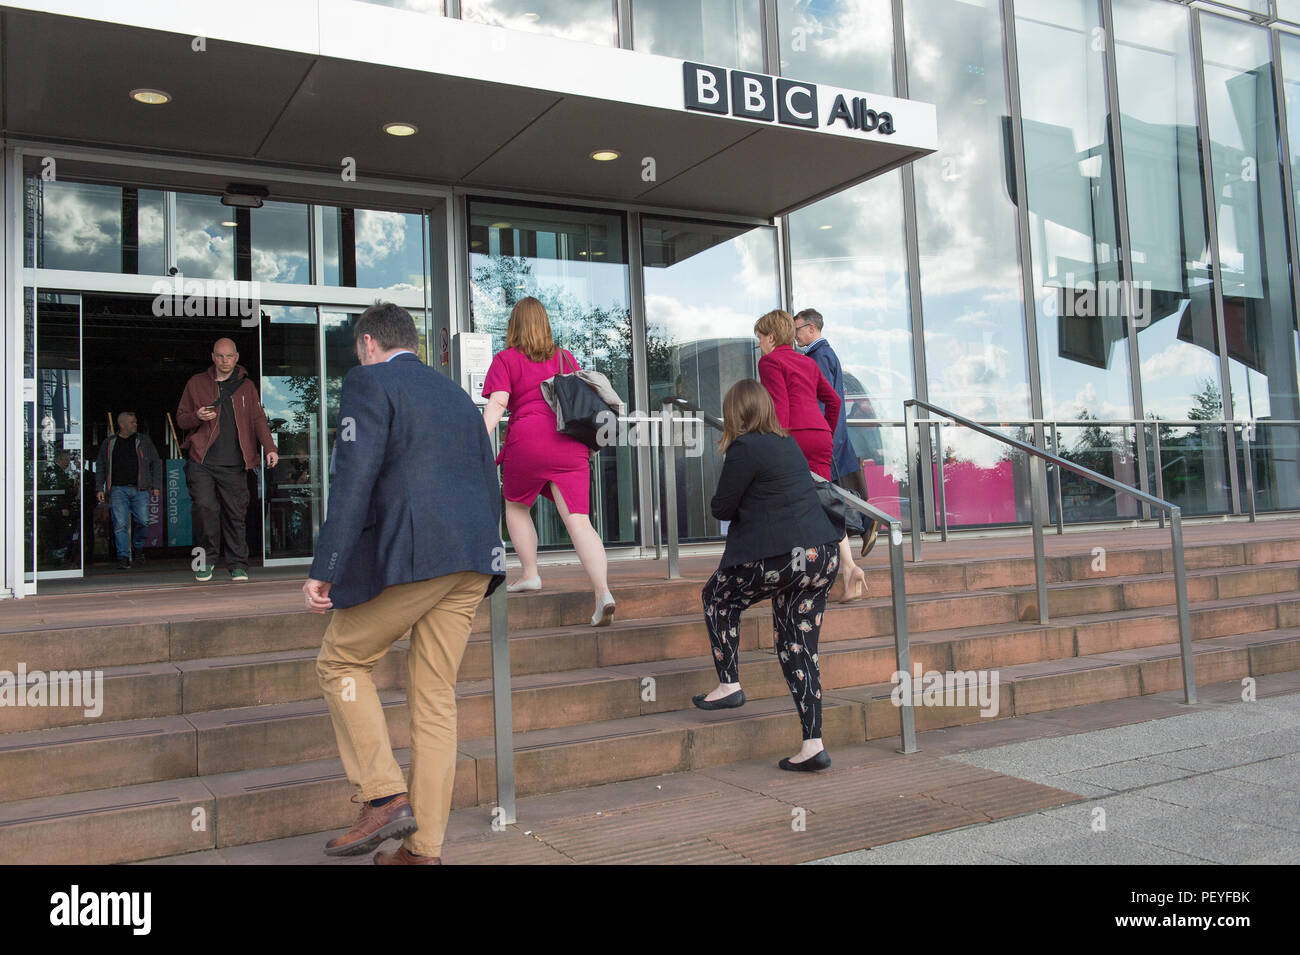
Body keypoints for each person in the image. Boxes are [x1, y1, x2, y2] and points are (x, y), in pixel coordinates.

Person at [303, 303, 504, 866]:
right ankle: (423, 853)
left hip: (414, 559)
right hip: (472, 560)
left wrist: (327, 566)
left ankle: (383, 795)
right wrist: (489, 554)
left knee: (340, 662)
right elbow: (489, 480)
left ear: (368, 344)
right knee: (435, 700)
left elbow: (353, 480)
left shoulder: (369, 382)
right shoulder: (459, 398)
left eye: (358, 349)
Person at [694, 379, 840, 772]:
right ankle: (813, 744)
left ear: (735, 415)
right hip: (820, 556)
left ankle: (729, 684)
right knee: (798, 647)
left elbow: (721, 507)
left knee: (716, 597)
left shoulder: (744, 447)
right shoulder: (786, 443)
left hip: (781, 556)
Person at [481, 296, 615, 627]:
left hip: (528, 442)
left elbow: (497, 406)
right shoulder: (565, 358)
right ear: (545, 325)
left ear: (514, 327)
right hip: (569, 444)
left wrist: (476, 441)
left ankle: (530, 574)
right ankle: (603, 593)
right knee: (580, 522)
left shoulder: (505, 359)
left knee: (515, 506)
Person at [754, 309, 866, 600]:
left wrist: (777, 444)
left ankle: (799, 570)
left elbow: (780, 408)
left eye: (759, 339)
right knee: (824, 500)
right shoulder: (806, 362)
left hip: (794, 436)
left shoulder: (769, 362)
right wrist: (826, 431)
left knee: (791, 503)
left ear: (769, 337)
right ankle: (849, 566)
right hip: (819, 436)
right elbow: (834, 400)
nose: (760, 345)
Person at [175, 338, 279, 582]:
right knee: (204, 510)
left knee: (235, 514)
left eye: (229, 356)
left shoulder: (246, 387)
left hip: (235, 462)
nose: (224, 361)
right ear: (212, 356)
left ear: (237, 357)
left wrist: (270, 448)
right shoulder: (196, 383)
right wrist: (197, 416)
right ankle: (205, 561)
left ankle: (238, 564)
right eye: (220, 356)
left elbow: (258, 420)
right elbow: (181, 420)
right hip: (202, 460)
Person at [795, 308, 879, 557]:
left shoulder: (818, 356)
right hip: (833, 431)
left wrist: (818, 431)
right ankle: (863, 523)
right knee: (835, 487)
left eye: (797, 329)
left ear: (812, 328)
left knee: (828, 490)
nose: (795, 336)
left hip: (826, 432)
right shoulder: (825, 354)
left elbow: (821, 399)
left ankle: (864, 522)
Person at [94, 411, 162, 569]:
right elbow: (101, 466)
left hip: (141, 489)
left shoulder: (144, 441)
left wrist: (156, 485)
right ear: (122, 424)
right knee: (120, 524)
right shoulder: (109, 442)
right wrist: (100, 487)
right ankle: (123, 556)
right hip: (118, 489)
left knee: (143, 521)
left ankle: (137, 548)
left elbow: (156, 463)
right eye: (132, 422)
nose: (135, 425)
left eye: (135, 422)